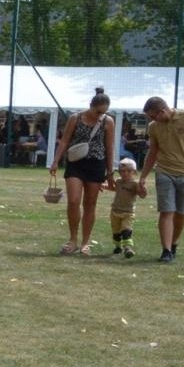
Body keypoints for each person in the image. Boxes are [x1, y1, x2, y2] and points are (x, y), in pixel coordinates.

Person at [137, 95, 184, 263]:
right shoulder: (153, 127)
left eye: (154, 116)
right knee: (166, 211)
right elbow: (152, 152)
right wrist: (143, 176)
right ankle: (166, 250)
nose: (153, 120)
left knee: (181, 213)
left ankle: (173, 243)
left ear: (162, 111)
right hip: (164, 172)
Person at [50, 87, 115, 256]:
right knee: (73, 201)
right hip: (76, 163)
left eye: (103, 112)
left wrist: (110, 171)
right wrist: (55, 161)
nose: (100, 115)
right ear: (91, 106)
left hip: (96, 164)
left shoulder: (108, 121)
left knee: (90, 204)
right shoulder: (75, 118)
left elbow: (110, 147)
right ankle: (72, 239)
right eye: (98, 111)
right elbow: (64, 141)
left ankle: (85, 243)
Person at [104, 157, 140, 258]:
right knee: (116, 231)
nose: (125, 173)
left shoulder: (135, 184)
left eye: (129, 171)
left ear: (134, 172)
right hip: (115, 211)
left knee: (126, 229)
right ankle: (117, 246)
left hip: (128, 212)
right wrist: (103, 185)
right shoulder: (119, 181)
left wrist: (143, 189)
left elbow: (141, 194)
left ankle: (128, 248)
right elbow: (114, 188)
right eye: (122, 171)